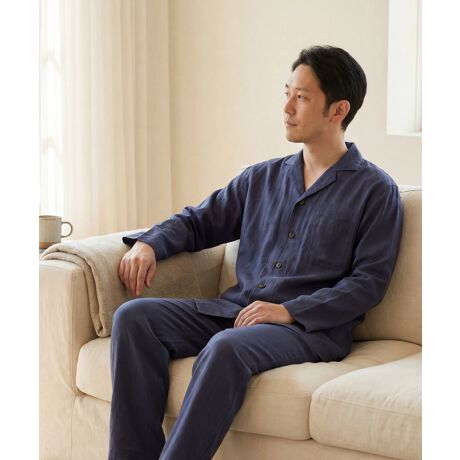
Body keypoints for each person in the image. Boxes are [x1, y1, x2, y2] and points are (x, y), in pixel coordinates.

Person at [108, 45, 403, 460]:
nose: (287, 108)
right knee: (135, 318)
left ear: (338, 110)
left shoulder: (375, 190)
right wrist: (149, 243)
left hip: (308, 330)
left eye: (302, 97)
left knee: (226, 347)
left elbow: (368, 283)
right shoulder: (262, 178)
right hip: (237, 311)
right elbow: (198, 222)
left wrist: (289, 310)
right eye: (287, 93)